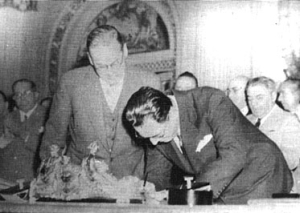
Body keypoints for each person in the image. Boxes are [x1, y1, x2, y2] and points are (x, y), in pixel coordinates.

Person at [124, 86, 292, 204]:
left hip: (258, 175)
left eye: (158, 135)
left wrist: (187, 193)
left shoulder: (212, 100)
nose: (153, 143)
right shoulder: (153, 129)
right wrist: (149, 193)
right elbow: (157, 175)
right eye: (148, 139)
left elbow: (233, 155)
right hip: (218, 185)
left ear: (171, 112)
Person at [40, 25, 160, 180]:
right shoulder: (71, 82)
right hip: (80, 181)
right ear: (90, 59)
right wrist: (50, 181)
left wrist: (146, 183)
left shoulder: (149, 82)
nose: (109, 72)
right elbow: (54, 137)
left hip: (132, 181)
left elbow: (157, 148)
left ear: (124, 51)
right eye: (101, 66)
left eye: (114, 63)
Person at [246, 76, 300, 172]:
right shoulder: (247, 120)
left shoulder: (289, 121)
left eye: (259, 98)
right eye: (250, 98)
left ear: (273, 96)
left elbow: (292, 161)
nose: (253, 103)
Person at [0, 79, 48, 183]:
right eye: (17, 94)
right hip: (6, 179)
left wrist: (20, 132)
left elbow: (47, 151)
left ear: (36, 95)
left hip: (33, 181)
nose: (21, 98)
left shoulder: (48, 117)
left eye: (26, 93)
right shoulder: (8, 118)